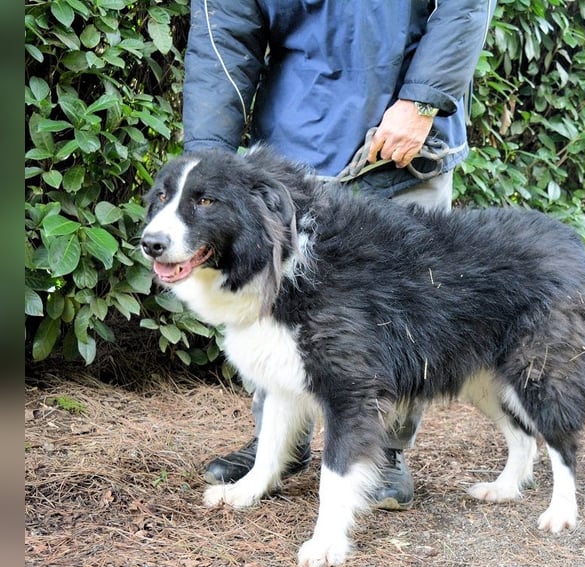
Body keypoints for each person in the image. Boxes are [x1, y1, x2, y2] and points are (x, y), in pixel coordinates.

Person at [181, 0, 497, 510]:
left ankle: (385, 451)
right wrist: (208, 155)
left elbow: (464, 6)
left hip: (406, 146)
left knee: (404, 314)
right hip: (295, 140)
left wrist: (422, 101)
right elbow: (225, 35)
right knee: (276, 314)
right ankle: (277, 448)